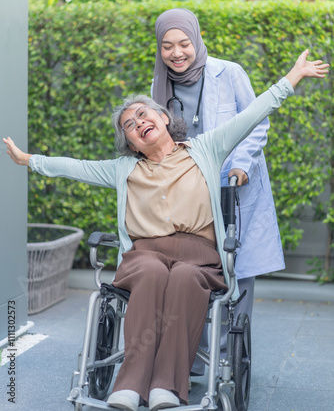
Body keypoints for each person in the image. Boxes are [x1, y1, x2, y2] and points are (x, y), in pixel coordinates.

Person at [2, 50, 328, 411]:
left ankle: (166, 387)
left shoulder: (205, 149)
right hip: (145, 255)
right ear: (130, 143)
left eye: (143, 113)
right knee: (153, 271)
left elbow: (253, 114)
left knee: (187, 278)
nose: (138, 122)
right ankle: (129, 385)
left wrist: (292, 77)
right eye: (129, 124)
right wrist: (28, 160)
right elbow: (74, 166)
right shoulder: (124, 168)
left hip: (199, 255)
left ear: (163, 117)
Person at [152, 8, 281, 373]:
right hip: (189, 190)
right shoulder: (158, 85)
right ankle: (193, 358)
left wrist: (241, 164)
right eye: (167, 46)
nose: (176, 53)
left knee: (235, 268)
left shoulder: (230, 73)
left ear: (196, 39)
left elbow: (257, 121)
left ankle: (229, 357)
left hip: (233, 185)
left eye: (183, 43)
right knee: (190, 266)